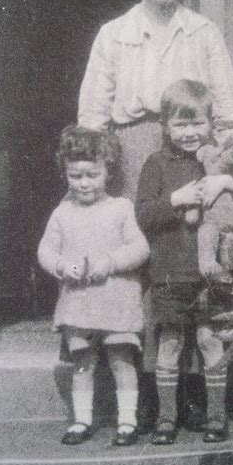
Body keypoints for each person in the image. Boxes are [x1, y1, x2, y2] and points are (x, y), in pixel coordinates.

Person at [77, 0, 233, 430]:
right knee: (143, 259)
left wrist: (220, 169)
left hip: (193, 148)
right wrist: (102, 174)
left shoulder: (203, 31)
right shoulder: (115, 32)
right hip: (133, 149)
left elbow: (230, 106)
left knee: (192, 258)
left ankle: (193, 390)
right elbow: (92, 111)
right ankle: (145, 389)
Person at [135, 80, 233, 444]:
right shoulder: (156, 164)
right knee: (171, 344)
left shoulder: (223, 158)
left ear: (211, 122)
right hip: (171, 273)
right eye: (180, 124)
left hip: (216, 274)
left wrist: (225, 180)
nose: (190, 133)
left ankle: (216, 417)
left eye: (197, 123)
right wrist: (176, 198)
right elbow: (143, 215)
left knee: (211, 342)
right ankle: (165, 418)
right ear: (164, 125)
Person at [37, 125, 149, 446]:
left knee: (121, 360)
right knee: (83, 363)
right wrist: (62, 266)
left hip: (116, 300)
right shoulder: (62, 213)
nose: (84, 183)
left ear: (107, 172)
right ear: (66, 175)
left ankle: (127, 421)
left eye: (93, 175)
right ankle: (82, 420)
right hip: (80, 303)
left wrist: (109, 263)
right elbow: (46, 251)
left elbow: (140, 249)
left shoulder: (121, 208)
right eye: (76, 176)